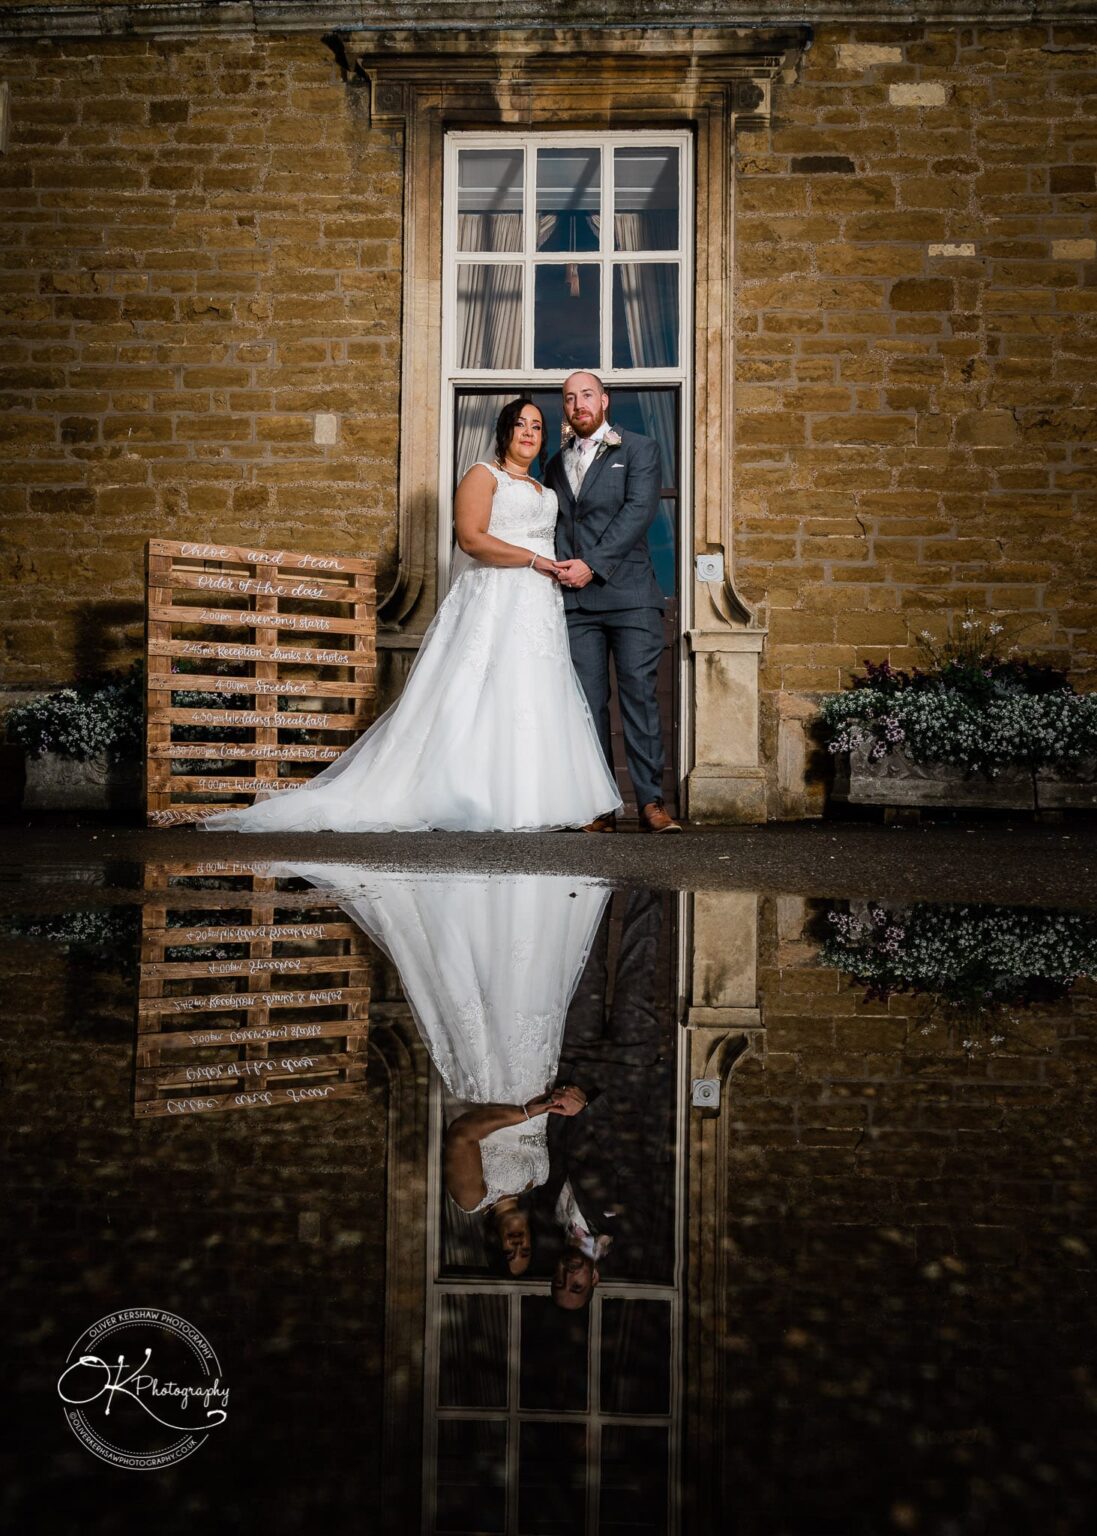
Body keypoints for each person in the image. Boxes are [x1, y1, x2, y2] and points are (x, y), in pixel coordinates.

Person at [201, 397, 622, 833]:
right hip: (495, 599)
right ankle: (472, 796)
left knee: (534, 694)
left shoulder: (545, 491)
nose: (529, 433)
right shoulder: (483, 476)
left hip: (538, 606)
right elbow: (472, 540)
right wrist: (534, 561)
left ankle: (541, 801)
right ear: (504, 431)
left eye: (537, 426)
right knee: (481, 693)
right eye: (520, 424)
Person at [273, 866, 610, 1276]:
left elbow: (463, 1133)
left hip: (492, 1078)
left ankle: (458, 892)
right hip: (533, 1069)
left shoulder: (471, 1199)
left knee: (476, 983)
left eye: (507, 1252)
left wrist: (528, 1113)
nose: (516, 1245)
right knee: (527, 982)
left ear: (492, 1242)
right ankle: (518, 893)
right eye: (524, 1252)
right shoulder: (538, 1185)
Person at [545, 371, 682, 834]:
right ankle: (600, 806)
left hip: (630, 598)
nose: (577, 404)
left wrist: (592, 563)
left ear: (605, 401)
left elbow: (637, 513)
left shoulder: (640, 448)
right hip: (577, 604)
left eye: (586, 395)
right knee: (587, 706)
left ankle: (651, 804)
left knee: (639, 699)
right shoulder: (554, 462)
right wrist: (560, 568)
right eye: (569, 398)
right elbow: (556, 524)